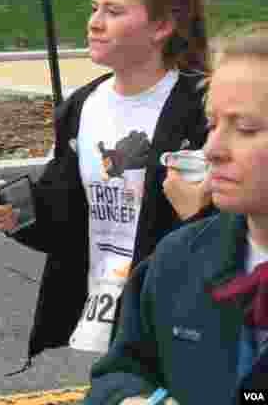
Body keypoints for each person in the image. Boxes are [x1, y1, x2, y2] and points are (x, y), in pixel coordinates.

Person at [0, 0, 216, 371]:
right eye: (95, 8)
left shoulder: (202, 108)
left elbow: (239, 225)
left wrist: (199, 210)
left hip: (181, 312)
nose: (94, 22)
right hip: (107, 310)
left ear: (161, 28)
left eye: (114, 11)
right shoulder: (81, 106)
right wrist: (17, 214)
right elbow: (67, 219)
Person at [86, 26, 268, 404]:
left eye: (246, 128)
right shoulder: (178, 259)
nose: (213, 149)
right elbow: (121, 370)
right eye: (212, 124)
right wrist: (131, 399)